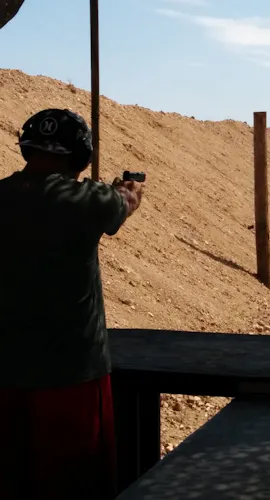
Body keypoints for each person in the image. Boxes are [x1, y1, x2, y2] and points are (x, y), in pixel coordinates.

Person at [0, 108, 143, 499]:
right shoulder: (89, 200)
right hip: (72, 375)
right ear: (80, 156)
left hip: (6, 372)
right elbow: (123, 203)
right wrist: (128, 189)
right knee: (76, 483)